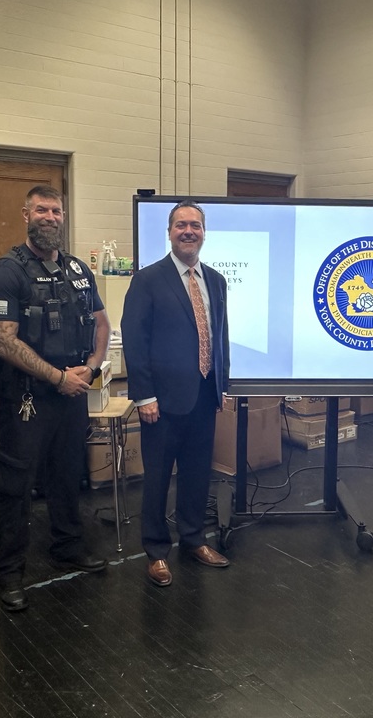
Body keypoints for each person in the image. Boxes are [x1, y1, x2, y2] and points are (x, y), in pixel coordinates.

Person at [0, 185, 111, 613]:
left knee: (67, 475)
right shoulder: (7, 272)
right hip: (28, 398)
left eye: (56, 210)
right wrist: (57, 377)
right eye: (42, 210)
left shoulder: (77, 269)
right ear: (26, 215)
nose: (50, 217)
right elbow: (2, 341)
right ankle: (10, 570)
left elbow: (101, 324)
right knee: (16, 486)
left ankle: (68, 545)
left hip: (73, 392)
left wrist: (90, 369)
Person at [121, 199, 231, 587]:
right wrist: (144, 396)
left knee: (198, 473)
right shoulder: (149, 279)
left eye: (195, 225)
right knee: (157, 478)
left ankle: (193, 539)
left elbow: (221, 337)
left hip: (203, 395)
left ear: (204, 233)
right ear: (169, 232)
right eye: (181, 224)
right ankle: (155, 551)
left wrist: (223, 384)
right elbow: (136, 340)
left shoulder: (215, 280)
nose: (189, 231)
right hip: (162, 403)